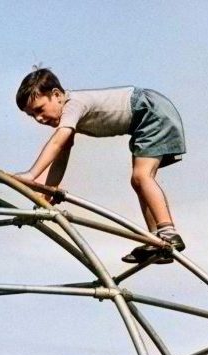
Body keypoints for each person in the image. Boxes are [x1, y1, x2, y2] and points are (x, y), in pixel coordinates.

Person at [13, 67, 187, 264]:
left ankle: (168, 232)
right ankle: (156, 239)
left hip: (150, 111)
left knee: (141, 177)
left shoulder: (73, 106)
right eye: (31, 116)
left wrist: (31, 174)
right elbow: (61, 155)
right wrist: (48, 194)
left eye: (39, 109)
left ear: (56, 95)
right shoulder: (69, 115)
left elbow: (56, 143)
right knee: (138, 180)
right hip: (144, 118)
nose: (39, 119)